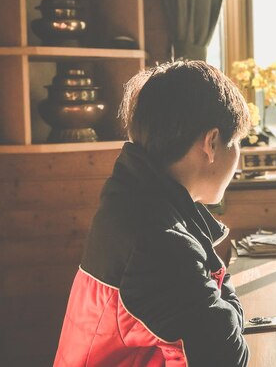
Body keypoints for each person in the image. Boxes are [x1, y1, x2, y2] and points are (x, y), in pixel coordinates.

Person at [54, 60, 250, 366]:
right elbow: (227, 357)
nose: (239, 156)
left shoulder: (135, 202)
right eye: (236, 141)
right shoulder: (160, 241)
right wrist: (229, 306)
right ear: (211, 143)